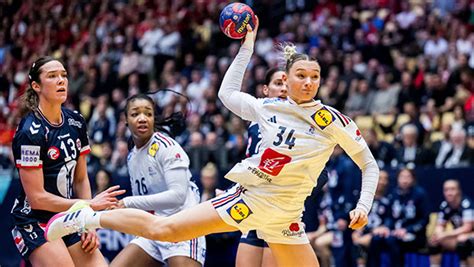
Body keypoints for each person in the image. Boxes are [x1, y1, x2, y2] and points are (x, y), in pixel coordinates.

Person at [45, 23, 379, 266]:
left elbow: (368, 163)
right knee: (165, 229)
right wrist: (247, 45)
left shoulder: (331, 119)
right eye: (301, 75)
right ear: (286, 79)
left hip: (287, 216)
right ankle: (85, 217)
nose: (308, 82)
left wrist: (363, 205)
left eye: (315, 76)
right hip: (250, 200)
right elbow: (226, 94)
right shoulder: (266, 108)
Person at [10, 56, 125, 266]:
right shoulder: (30, 131)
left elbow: (80, 179)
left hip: (68, 214)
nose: (61, 80)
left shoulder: (76, 121)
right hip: (34, 220)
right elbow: (37, 198)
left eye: (63, 75)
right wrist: (89, 205)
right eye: (52, 76)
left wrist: (88, 222)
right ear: (36, 86)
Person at [110, 94, 205, 267]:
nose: (142, 118)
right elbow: (143, 205)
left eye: (148, 114)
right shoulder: (132, 157)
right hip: (153, 228)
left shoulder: (166, 147)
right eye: (135, 114)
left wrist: (126, 202)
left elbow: (178, 196)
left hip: (181, 225)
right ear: (125, 120)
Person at [367, 168, 430, 267]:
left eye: (408, 177)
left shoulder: (420, 194)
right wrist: (386, 228)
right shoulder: (394, 194)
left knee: (392, 240)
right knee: (376, 239)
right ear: (397, 179)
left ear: (413, 179)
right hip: (394, 232)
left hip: (415, 234)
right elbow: (389, 217)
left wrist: (407, 230)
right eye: (402, 177)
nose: (404, 180)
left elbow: (424, 220)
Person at [429, 179, 473, 266]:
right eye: (446, 190)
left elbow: (467, 227)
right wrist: (438, 234)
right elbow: (440, 225)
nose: (449, 193)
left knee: (464, 241)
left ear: (459, 191)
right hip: (459, 235)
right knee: (434, 242)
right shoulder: (444, 205)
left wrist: (444, 234)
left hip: (470, 233)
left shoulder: (466, 204)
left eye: (452, 189)